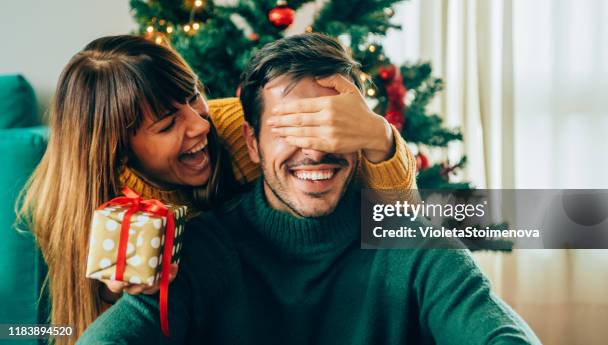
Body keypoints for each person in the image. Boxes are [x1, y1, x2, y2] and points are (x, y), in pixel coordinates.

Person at [76, 33, 540, 345]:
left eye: (329, 127)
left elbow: (498, 332)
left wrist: (379, 138)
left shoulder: (414, 244)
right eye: (289, 128)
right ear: (251, 143)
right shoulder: (198, 251)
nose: (313, 151)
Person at [18, 35, 417, 344]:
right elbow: (78, 326)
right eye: (166, 124)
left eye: (194, 97)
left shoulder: (242, 131)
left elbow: (404, 223)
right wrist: (114, 297)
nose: (199, 126)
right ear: (120, 153)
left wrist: (379, 137)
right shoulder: (85, 213)